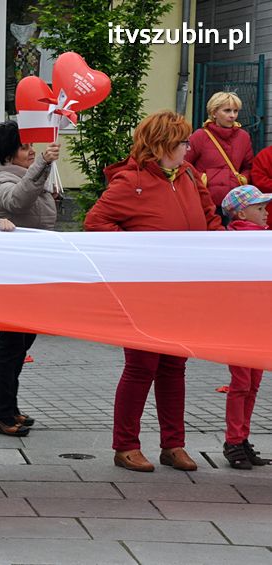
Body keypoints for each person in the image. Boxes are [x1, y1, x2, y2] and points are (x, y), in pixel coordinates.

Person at [85, 110, 223, 472]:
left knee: (174, 366)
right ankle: (125, 445)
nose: (187, 148)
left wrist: (221, 249)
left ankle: (173, 444)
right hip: (144, 291)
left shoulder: (189, 175)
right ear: (161, 145)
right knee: (141, 367)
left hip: (184, 289)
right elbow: (95, 223)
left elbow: (210, 217)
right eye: (181, 142)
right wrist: (136, 253)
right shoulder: (130, 182)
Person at [0, 121, 61, 437]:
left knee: (21, 344)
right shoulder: (3, 179)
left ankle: (9, 406)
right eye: (24, 147)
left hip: (33, 270)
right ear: (7, 153)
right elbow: (17, 201)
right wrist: (42, 164)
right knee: (11, 345)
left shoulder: (33, 177)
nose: (31, 152)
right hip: (14, 274)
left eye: (32, 147)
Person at [218, 185, 272, 469]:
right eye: (259, 208)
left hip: (258, 322)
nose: (265, 213)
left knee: (252, 384)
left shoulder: (264, 239)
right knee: (242, 384)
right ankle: (233, 441)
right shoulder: (234, 239)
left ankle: (241, 439)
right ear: (241, 212)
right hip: (240, 323)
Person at [185, 91, 253, 224]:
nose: (232, 115)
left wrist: (242, 179)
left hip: (233, 203)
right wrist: (202, 179)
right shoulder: (200, 136)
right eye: (227, 111)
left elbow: (248, 166)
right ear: (214, 112)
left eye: (235, 111)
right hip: (205, 201)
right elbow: (184, 164)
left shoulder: (243, 137)